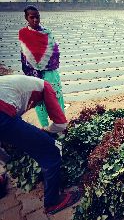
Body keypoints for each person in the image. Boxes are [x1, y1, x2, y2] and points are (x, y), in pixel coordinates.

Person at [0, 75, 80, 214]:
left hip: (4, 111)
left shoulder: (17, 84)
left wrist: (8, 160)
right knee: (52, 150)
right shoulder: (46, 87)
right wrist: (46, 131)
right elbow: (61, 124)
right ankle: (53, 202)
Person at [19, 5, 65, 128]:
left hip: (50, 72)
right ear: (26, 18)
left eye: (37, 17)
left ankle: (61, 125)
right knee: (39, 101)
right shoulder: (24, 34)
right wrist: (34, 68)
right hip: (34, 74)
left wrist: (43, 63)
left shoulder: (47, 32)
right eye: (32, 17)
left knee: (56, 96)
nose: (35, 20)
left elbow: (55, 52)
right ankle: (45, 127)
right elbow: (25, 57)